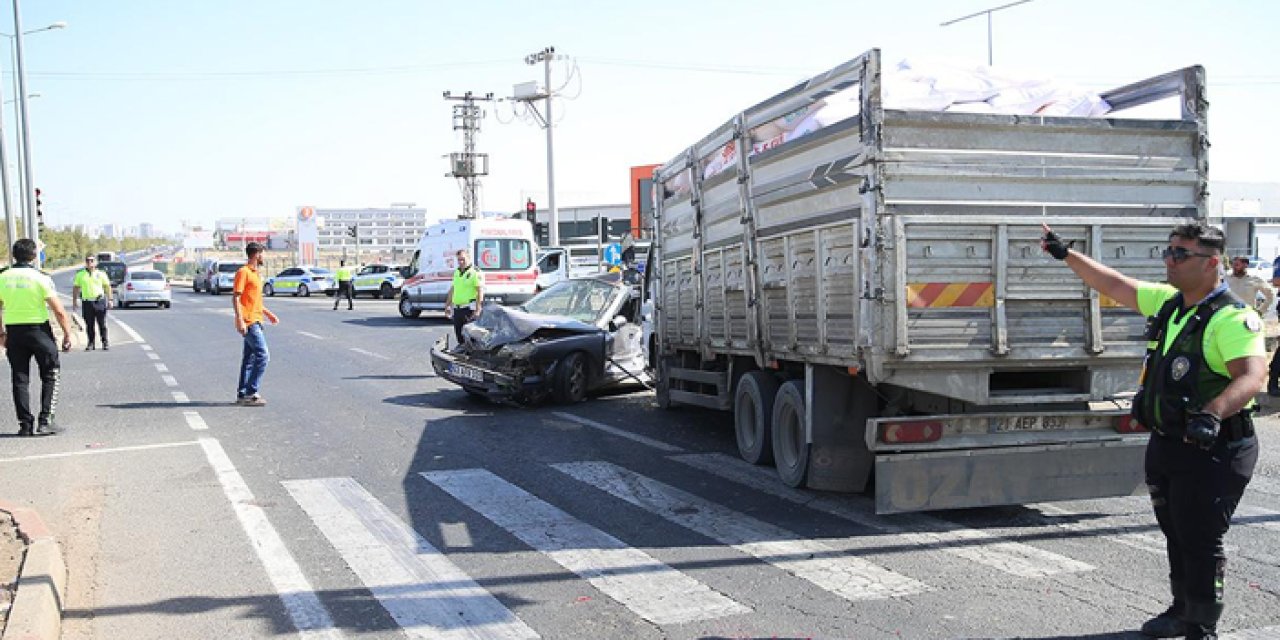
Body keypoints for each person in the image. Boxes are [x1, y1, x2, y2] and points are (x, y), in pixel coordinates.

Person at [1042, 223, 1263, 640]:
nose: (1169, 260)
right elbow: (1114, 284)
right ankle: (1181, 611)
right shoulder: (1170, 304)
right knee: (1176, 531)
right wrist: (1065, 254)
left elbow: (1252, 376)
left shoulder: (1233, 318)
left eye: (1181, 254)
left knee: (1200, 539)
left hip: (1215, 446)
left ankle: (1202, 627)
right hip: (1169, 442)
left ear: (1212, 263)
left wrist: (1213, 412)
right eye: (1169, 251)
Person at [0, 239, 74, 436]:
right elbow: (59, 311)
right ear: (34, 256)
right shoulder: (40, 277)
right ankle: (45, 421)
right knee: (51, 374)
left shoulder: (2, 277)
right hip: (39, 331)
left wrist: (1, 333)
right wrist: (67, 334)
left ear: (14, 255)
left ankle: (25, 425)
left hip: (14, 332)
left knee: (19, 379)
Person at [232, 242, 279, 406]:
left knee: (249, 359)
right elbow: (236, 297)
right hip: (249, 321)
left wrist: (268, 314)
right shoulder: (243, 272)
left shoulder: (256, 274)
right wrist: (240, 319)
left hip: (257, 319)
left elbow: (253, 300)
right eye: (262, 254)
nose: (263, 257)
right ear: (256, 254)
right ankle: (251, 392)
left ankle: (242, 394)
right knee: (263, 355)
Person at [71, 254, 113, 351]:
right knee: (89, 324)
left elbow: (107, 286)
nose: (89, 262)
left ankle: (105, 342)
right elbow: (76, 288)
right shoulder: (80, 274)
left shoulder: (101, 274)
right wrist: (74, 301)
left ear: (95, 262)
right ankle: (91, 343)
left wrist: (110, 299)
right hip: (87, 302)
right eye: (87, 261)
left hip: (99, 301)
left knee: (102, 323)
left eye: (92, 260)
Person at [444, 249, 484, 345]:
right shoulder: (457, 272)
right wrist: (447, 305)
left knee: (470, 339)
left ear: (468, 258)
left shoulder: (475, 272)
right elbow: (453, 289)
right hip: (457, 309)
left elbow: (480, 291)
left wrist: (478, 309)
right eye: (459, 260)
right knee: (460, 338)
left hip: (468, 310)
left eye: (463, 259)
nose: (461, 262)